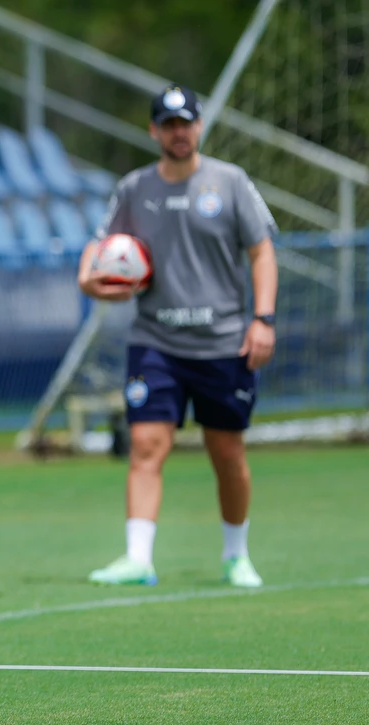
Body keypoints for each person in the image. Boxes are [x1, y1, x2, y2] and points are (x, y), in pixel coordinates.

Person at [79, 85, 279, 588]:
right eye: (168, 125)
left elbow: (262, 252)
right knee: (147, 444)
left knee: (227, 452)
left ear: (199, 126)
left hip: (223, 341)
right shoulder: (134, 189)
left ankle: (237, 555)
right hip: (156, 341)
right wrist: (87, 278)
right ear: (153, 131)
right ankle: (138, 559)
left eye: (186, 123)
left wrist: (264, 319)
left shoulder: (230, 183)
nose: (178, 132)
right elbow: (99, 246)